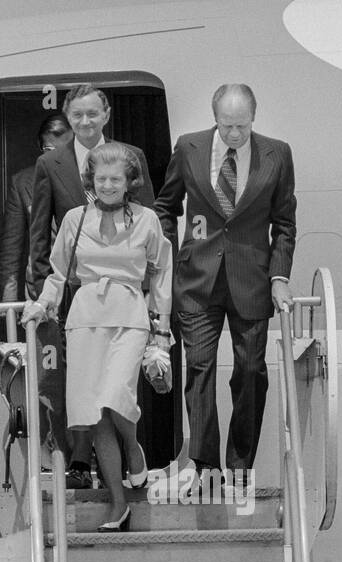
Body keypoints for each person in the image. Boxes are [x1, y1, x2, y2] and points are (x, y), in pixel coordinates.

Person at [22, 142, 172, 532]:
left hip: (129, 316)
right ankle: (118, 504)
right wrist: (42, 304)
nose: (107, 186)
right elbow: (57, 274)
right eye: (101, 179)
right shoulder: (74, 219)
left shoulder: (147, 220)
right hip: (85, 318)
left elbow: (161, 271)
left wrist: (162, 325)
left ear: (129, 182)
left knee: (115, 397)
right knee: (95, 413)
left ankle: (134, 452)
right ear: (91, 181)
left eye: (115, 179)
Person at [154, 82, 297, 484]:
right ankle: (204, 466)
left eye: (242, 126)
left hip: (250, 280)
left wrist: (279, 277)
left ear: (254, 117)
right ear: (214, 117)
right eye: (227, 125)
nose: (234, 134)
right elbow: (165, 207)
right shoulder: (188, 147)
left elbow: (284, 224)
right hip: (196, 280)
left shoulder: (277, 153)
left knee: (250, 371)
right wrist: (170, 256)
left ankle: (239, 467)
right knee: (199, 369)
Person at [27, 85, 160, 483]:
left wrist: (156, 302)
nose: (85, 122)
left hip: (126, 301)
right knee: (83, 389)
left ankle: (128, 461)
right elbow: (40, 238)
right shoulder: (50, 163)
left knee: (116, 390)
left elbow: (152, 219)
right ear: (68, 119)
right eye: (77, 116)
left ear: (105, 115)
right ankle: (83, 464)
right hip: (78, 298)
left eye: (92, 114)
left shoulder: (129, 157)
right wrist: (42, 297)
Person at [0, 112, 73, 304]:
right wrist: (9, 305)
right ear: (40, 148)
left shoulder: (92, 180)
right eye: (49, 150)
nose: (57, 158)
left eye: (64, 150)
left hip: (83, 287)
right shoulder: (23, 183)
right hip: (39, 290)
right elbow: (11, 250)